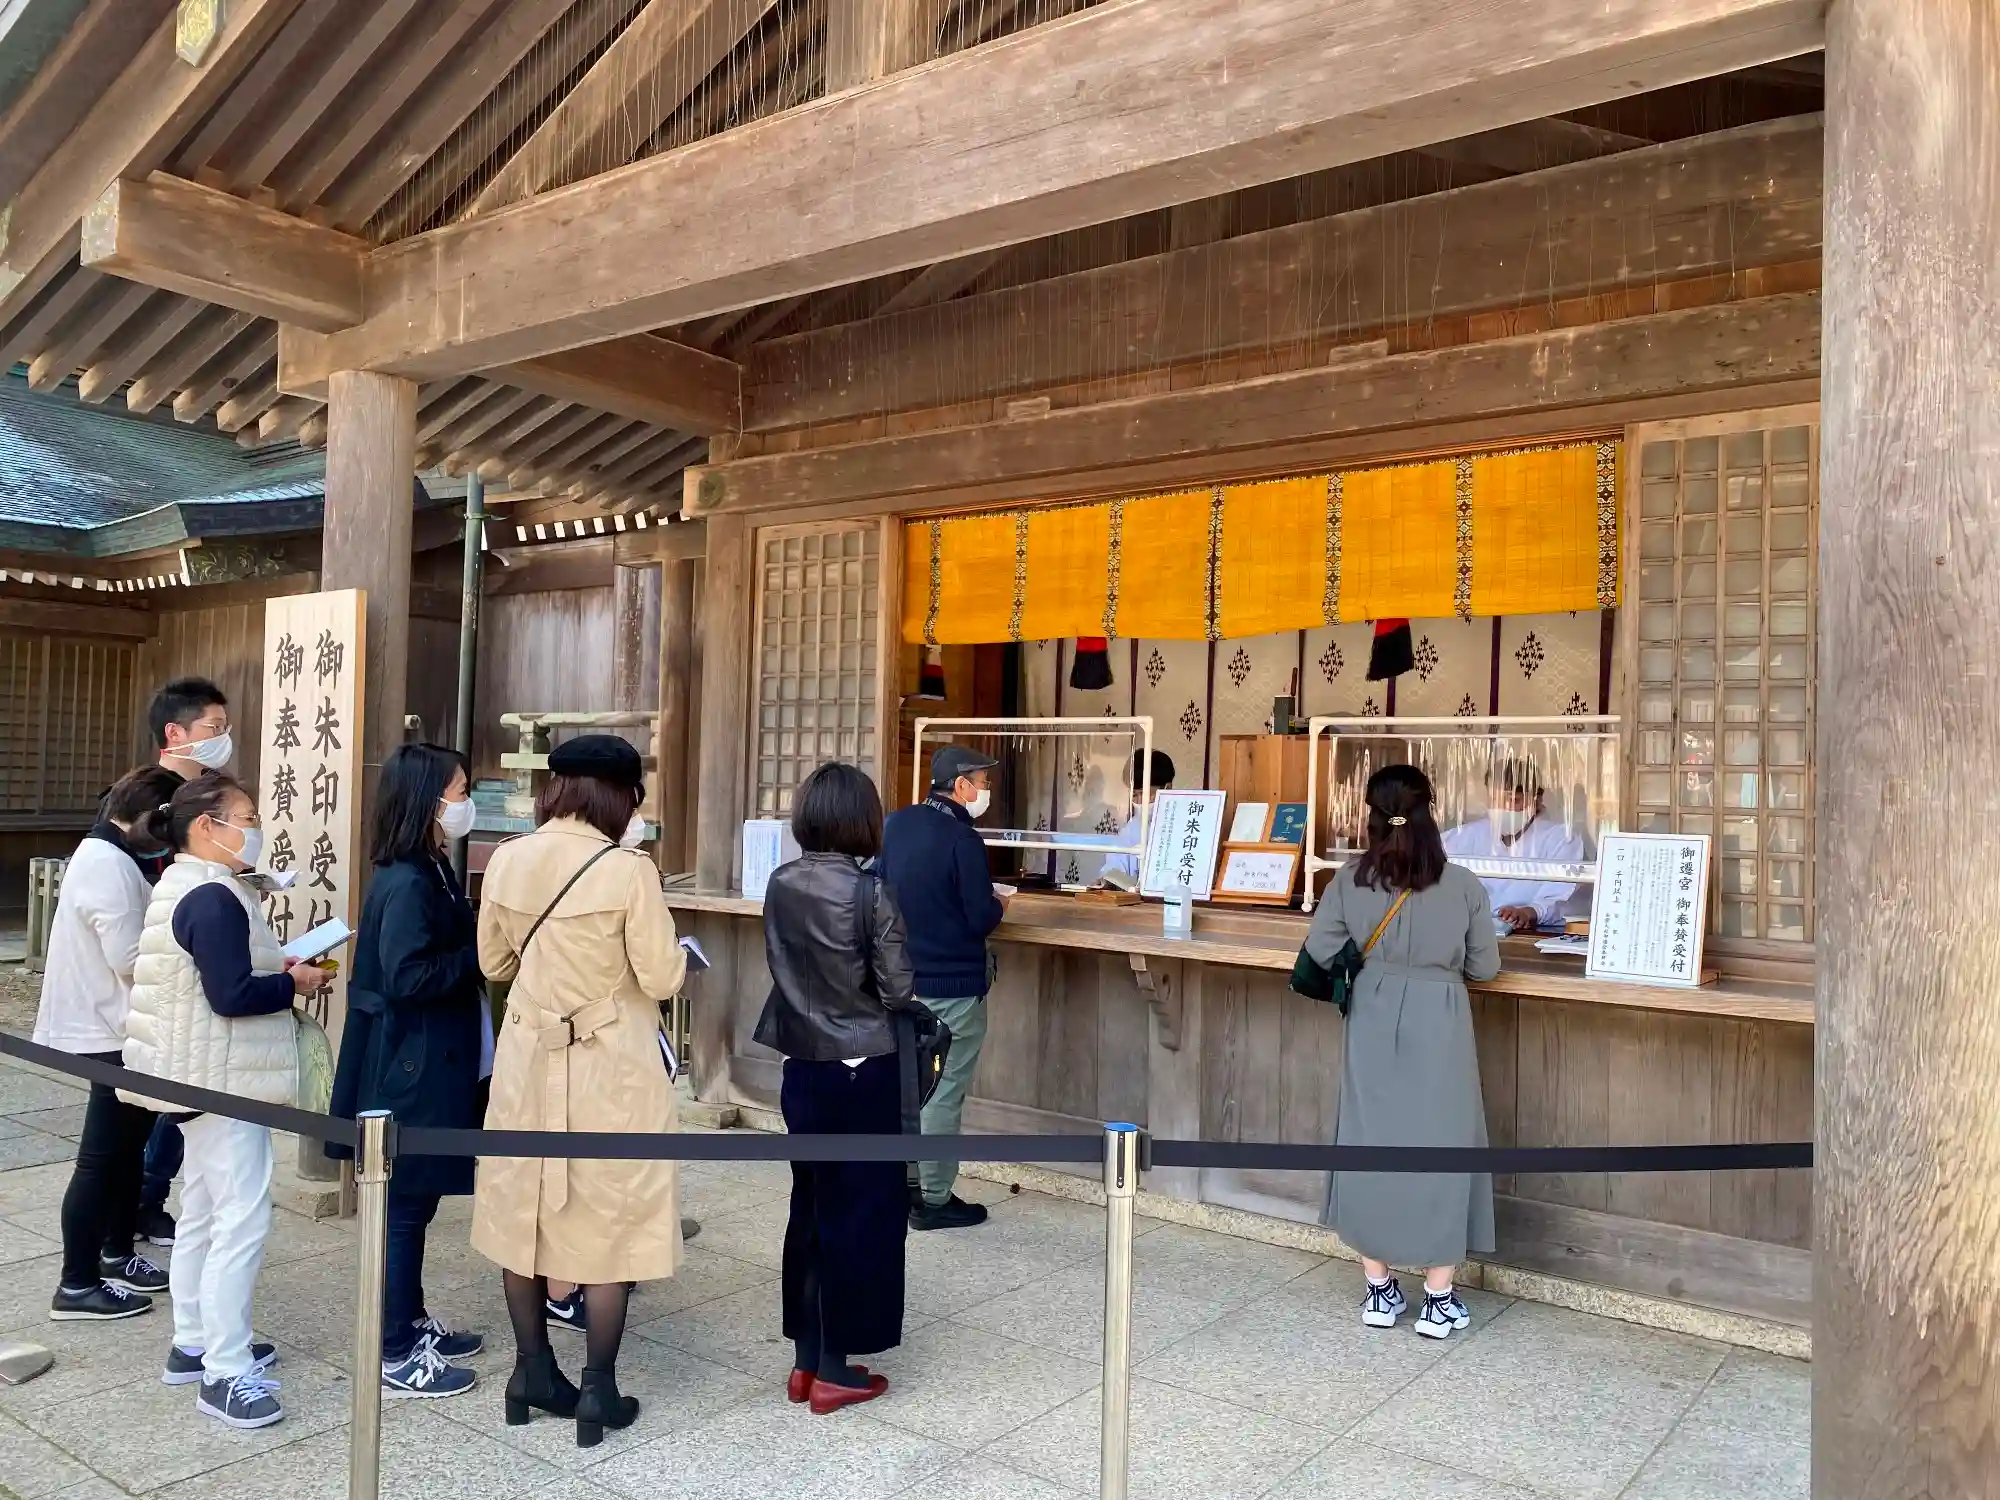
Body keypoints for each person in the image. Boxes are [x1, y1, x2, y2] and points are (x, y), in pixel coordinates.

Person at [472, 734, 687, 1449]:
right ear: (620, 796)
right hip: (610, 1068)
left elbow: (493, 962)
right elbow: (661, 977)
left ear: (556, 790)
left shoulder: (508, 857)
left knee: (521, 1210)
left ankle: (531, 1371)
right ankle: (597, 1389)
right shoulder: (629, 871)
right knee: (611, 1217)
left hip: (528, 1062)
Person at [121, 773, 333, 1428]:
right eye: (246, 817)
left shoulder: (187, 885)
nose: (255, 827)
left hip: (195, 1075)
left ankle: (193, 1342)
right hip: (221, 1082)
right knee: (239, 1220)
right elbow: (232, 995)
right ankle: (226, 1370)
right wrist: (294, 982)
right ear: (207, 827)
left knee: (204, 1212)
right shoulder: (213, 896)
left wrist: (279, 971)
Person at [1304, 764, 1501, 1340]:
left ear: (1371, 816)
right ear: (1429, 814)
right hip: (1441, 1019)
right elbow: (1485, 966)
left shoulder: (1349, 881)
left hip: (1371, 1013)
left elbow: (1320, 949)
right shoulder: (1462, 884)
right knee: (1445, 1145)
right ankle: (1438, 1297)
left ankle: (1379, 1289)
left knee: (1369, 1141)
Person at [757, 762, 921, 1414]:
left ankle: (805, 1358)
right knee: (861, 1215)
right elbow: (898, 989)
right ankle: (834, 1368)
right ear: (862, 819)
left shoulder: (780, 882)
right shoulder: (869, 892)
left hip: (802, 1065)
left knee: (811, 1206)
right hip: (862, 1067)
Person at [328, 744, 487, 1400]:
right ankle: (394, 1348)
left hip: (427, 1058)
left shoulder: (431, 867)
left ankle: (411, 1319)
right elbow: (408, 976)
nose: (465, 802)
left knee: (415, 1204)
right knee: (403, 1208)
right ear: (429, 800)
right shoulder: (408, 880)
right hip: (409, 1064)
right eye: (460, 791)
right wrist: (480, 951)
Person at [36, 765, 183, 1322]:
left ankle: (117, 1252)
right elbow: (128, 957)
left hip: (118, 1022)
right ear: (149, 819)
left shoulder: (111, 855)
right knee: (102, 1158)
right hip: (107, 1026)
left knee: (124, 1152)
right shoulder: (108, 863)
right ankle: (76, 1282)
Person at [878, 745, 1007, 1230]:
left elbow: (878, 889)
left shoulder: (897, 824)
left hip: (901, 981)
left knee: (907, 1087)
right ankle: (931, 1198)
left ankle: (900, 1185)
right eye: (983, 782)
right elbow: (980, 917)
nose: (986, 791)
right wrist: (1001, 905)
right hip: (952, 987)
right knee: (943, 1091)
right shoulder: (962, 839)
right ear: (961, 786)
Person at [131, 675, 233, 1244]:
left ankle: (150, 1200)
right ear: (175, 733)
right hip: (166, 967)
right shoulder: (153, 797)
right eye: (213, 728)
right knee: (163, 1102)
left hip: (193, 963)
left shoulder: (203, 792)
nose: (223, 739)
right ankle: (141, 1204)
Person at [1440, 756, 1585, 933]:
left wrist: (1530, 912)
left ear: (1537, 800)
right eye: (1497, 799)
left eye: (1515, 800)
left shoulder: (1562, 838)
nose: (1505, 807)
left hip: (1532, 936)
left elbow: (1562, 895)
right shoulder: (1460, 837)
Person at [1099, 748, 1176, 884]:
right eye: (1135, 795)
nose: (1140, 801)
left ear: (1167, 788)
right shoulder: (1131, 829)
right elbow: (1113, 868)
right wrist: (1107, 881)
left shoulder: (1185, 823)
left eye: (1146, 794)